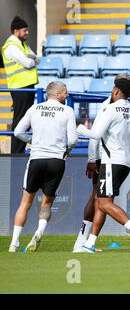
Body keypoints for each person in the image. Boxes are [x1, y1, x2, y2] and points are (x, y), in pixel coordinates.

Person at [72, 74, 130, 253]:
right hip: (126, 162)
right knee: (105, 201)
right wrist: (126, 143)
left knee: (103, 203)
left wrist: (79, 127)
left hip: (110, 161)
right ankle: (89, 244)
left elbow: (95, 135)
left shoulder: (110, 110)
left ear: (116, 91)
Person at [9, 82, 77, 252]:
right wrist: (65, 150)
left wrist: (31, 141)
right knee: (47, 202)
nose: (67, 95)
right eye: (65, 92)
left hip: (36, 158)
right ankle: (39, 232)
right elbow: (73, 140)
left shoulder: (35, 108)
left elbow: (17, 131)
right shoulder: (68, 111)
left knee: (25, 202)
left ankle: (14, 242)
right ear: (58, 94)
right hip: (57, 161)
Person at [1, 16, 39, 154]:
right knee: (20, 119)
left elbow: (36, 58)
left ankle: (19, 150)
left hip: (26, 86)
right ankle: (16, 152)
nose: (27, 33)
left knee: (25, 118)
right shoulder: (11, 46)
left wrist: (31, 58)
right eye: (25, 30)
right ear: (16, 31)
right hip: (19, 87)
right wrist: (31, 59)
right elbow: (29, 62)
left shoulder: (22, 45)